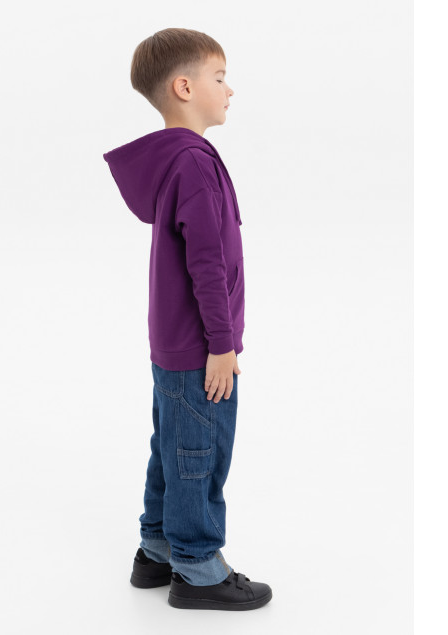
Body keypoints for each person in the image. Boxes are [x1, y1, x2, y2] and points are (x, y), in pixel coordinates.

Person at [102, 28, 272, 611]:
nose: (229, 89)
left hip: (173, 344)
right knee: (200, 455)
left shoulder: (176, 160)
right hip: (201, 348)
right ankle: (197, 568)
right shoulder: (194, 163)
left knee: (173, 447)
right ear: (184, 87)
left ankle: (156, 550)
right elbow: (207, 262)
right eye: (219, 77)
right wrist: (221, 346)